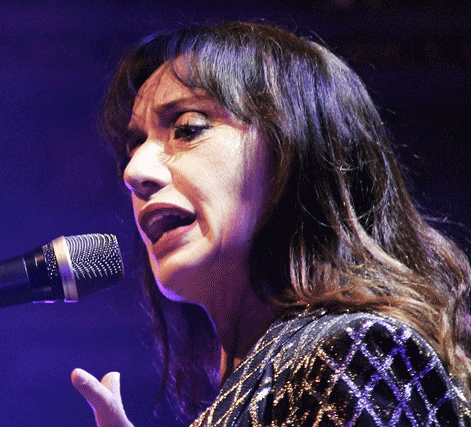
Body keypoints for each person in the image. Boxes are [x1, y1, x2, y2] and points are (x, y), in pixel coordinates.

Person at [70, 21, 471, 426]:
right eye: (132, 148)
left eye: (187, 129)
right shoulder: (266, 380)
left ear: (295, 151)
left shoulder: (352, 353)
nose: (134, 171)